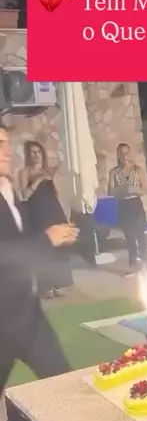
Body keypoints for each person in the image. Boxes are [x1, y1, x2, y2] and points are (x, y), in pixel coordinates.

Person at [0, 126, 78, 395]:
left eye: (7, 143)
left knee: (65, 385)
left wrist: (58, 233)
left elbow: (19, 236)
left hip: (28, 315)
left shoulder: (9, 190)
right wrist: (46, 239)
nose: (7, 151)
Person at [17, 141, 72, 298]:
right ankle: (46, 286)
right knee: (44, 249)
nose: (36, 155)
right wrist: (38, 179)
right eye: (33, 152)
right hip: (37, 213)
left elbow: (58, 193)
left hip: (53, 211)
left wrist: (54, 176)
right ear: (28, 155)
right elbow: (24, 195)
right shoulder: (25, 173)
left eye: (38, 152)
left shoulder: (48, 171)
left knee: (59, 249)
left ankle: (58, 284)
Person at [108, 143, 147, 276]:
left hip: (135, 204)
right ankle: (133, 265)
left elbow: (146, 189)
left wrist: (134, 190)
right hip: (123, 205)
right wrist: (121, 191)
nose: (124, 156)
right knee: (130, 237)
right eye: (121, 153)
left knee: (140, 236)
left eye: (126, 153)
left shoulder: (137, 170)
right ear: (118, 155)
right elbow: (110, 191)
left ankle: (145, 264)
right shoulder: (114, 172)